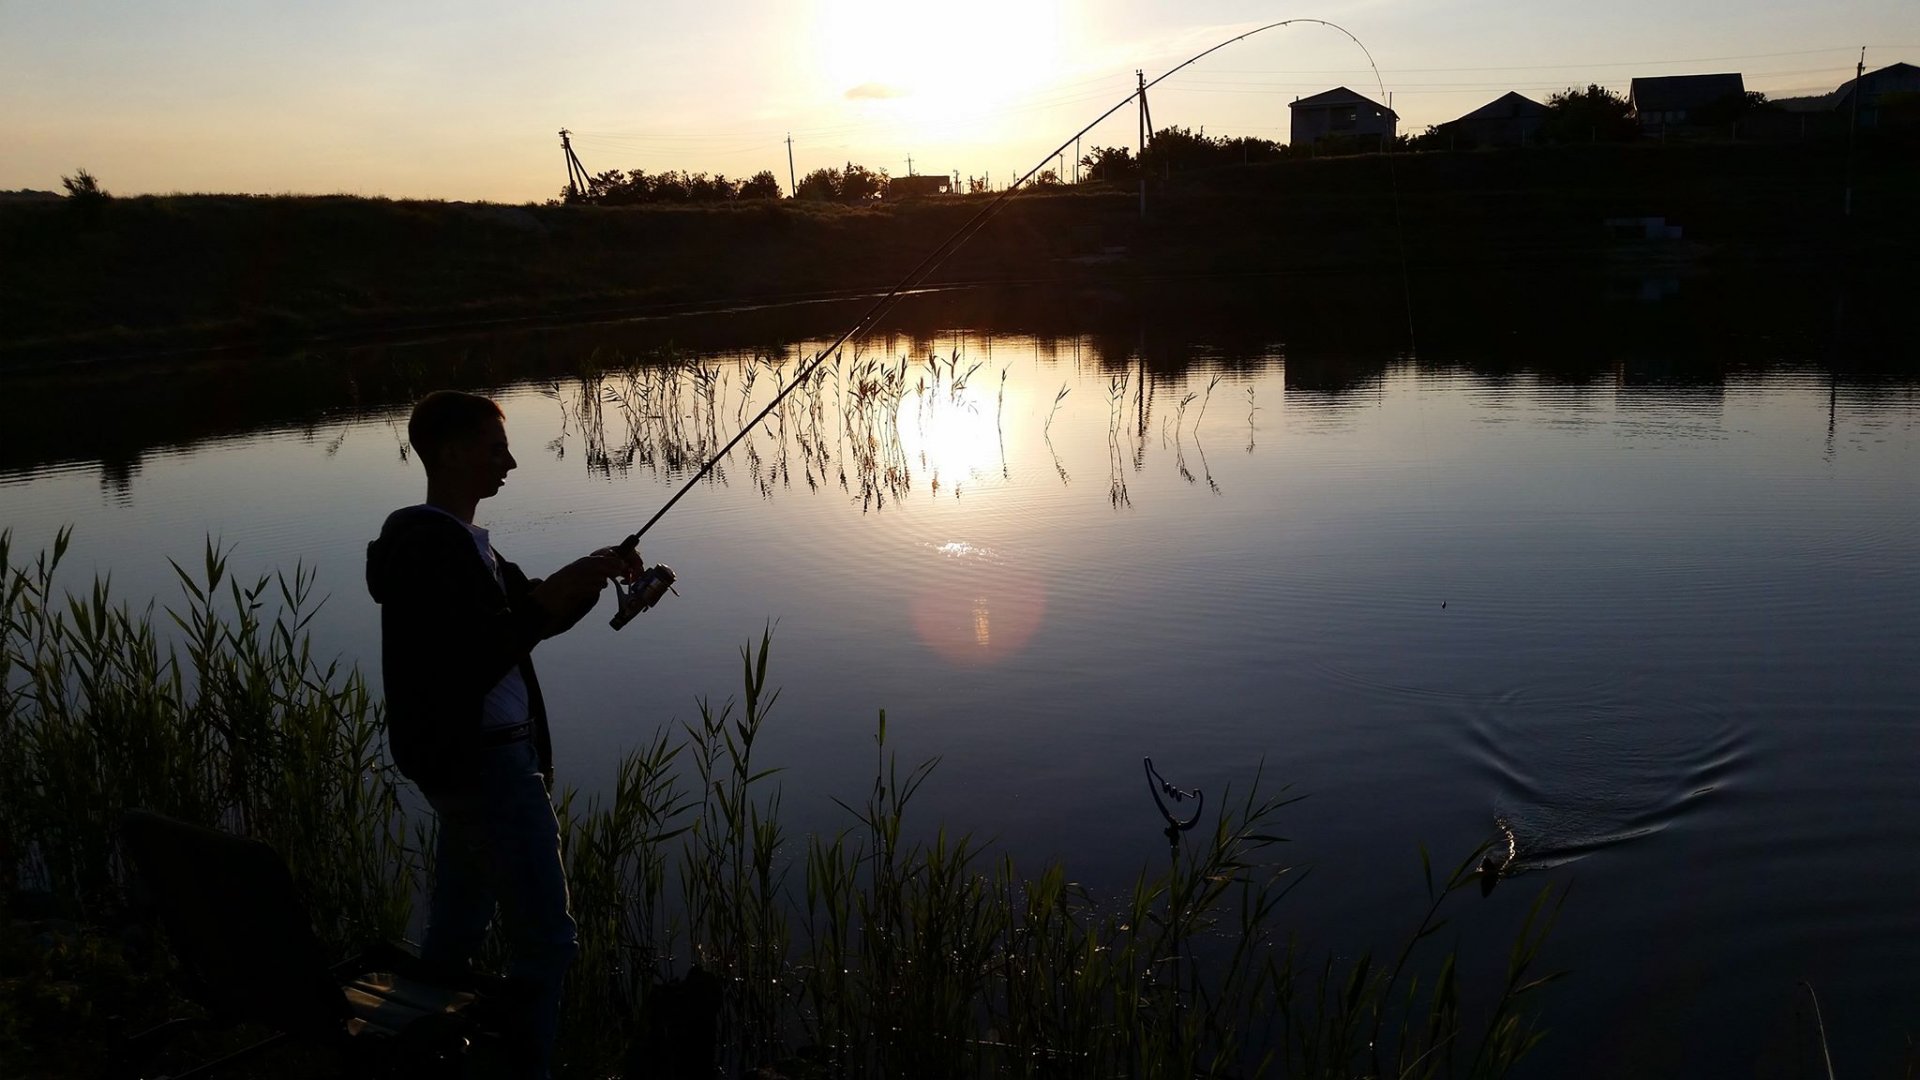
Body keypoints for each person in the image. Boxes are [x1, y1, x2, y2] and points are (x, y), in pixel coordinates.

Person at [364, 390, 639, 1078]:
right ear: (452, 452)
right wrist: (550, 595)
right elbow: (475, 656)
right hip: (486, 768)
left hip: (474, 767)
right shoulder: (429, 548)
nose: (509, 463)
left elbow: (527, 621)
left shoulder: (460, 545)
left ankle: (411, 1055)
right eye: (496, 450)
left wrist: (587, 579)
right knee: (547, 942)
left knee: (456, 930)